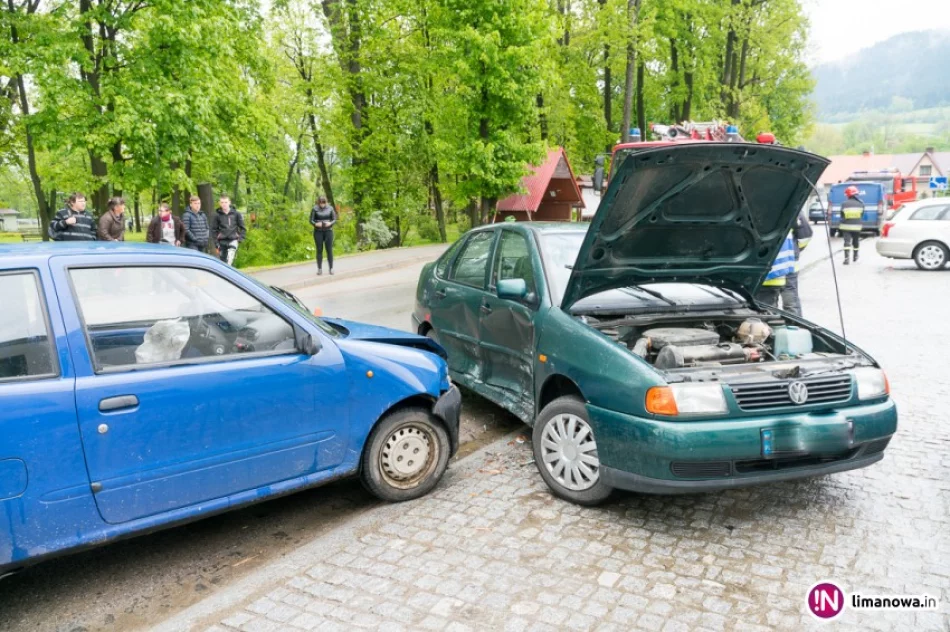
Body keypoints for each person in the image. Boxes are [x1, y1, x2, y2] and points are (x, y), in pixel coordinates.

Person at [779, 211, 813, 317]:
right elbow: (806, 235)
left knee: (764, 301)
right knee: (791, 299)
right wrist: (796, 250)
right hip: (789, 262)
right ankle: (795, 326)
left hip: (767, 264)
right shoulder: (794, 208)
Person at [755, 230, 796, 309]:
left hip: (765, 277)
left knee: (764, 314)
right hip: (776, 274)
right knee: (768, 313)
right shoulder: (782, 221)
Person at [210, 195, 246, 266]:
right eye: (222, 202)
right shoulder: (217, 215)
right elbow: (214, 230)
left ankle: (232, 275)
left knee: (230, 259)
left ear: (229, 202)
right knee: (223, 262)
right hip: (222, 241)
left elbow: (243, 228)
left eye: (226, 202)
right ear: (219, 203)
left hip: (233, 240)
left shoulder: (236, 214)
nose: (224, 204)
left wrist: (240, 238)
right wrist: (216, 243)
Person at [309, 195, 337, 275]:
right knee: (319, 250)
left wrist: (330, 223)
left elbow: (334, 219)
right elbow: (311, 220)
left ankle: (331, 268)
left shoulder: (330, 208)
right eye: (320, 202)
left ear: (326, 202)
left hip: (328, 231)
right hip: (318, 231)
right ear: (318, 202)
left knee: (329, 250)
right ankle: (319, 269)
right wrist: (315, 224)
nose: (322, 204)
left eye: (323, 202)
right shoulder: (314, 209)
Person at [840, 185, 864, 265]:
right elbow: (861, 214)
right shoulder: (861, 204)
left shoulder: (844, 204)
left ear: (848, 195)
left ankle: (846, 259)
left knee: (847, 242)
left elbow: (842, 215)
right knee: (856, 241)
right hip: (857, 226)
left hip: (846, 226)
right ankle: (855, 256)